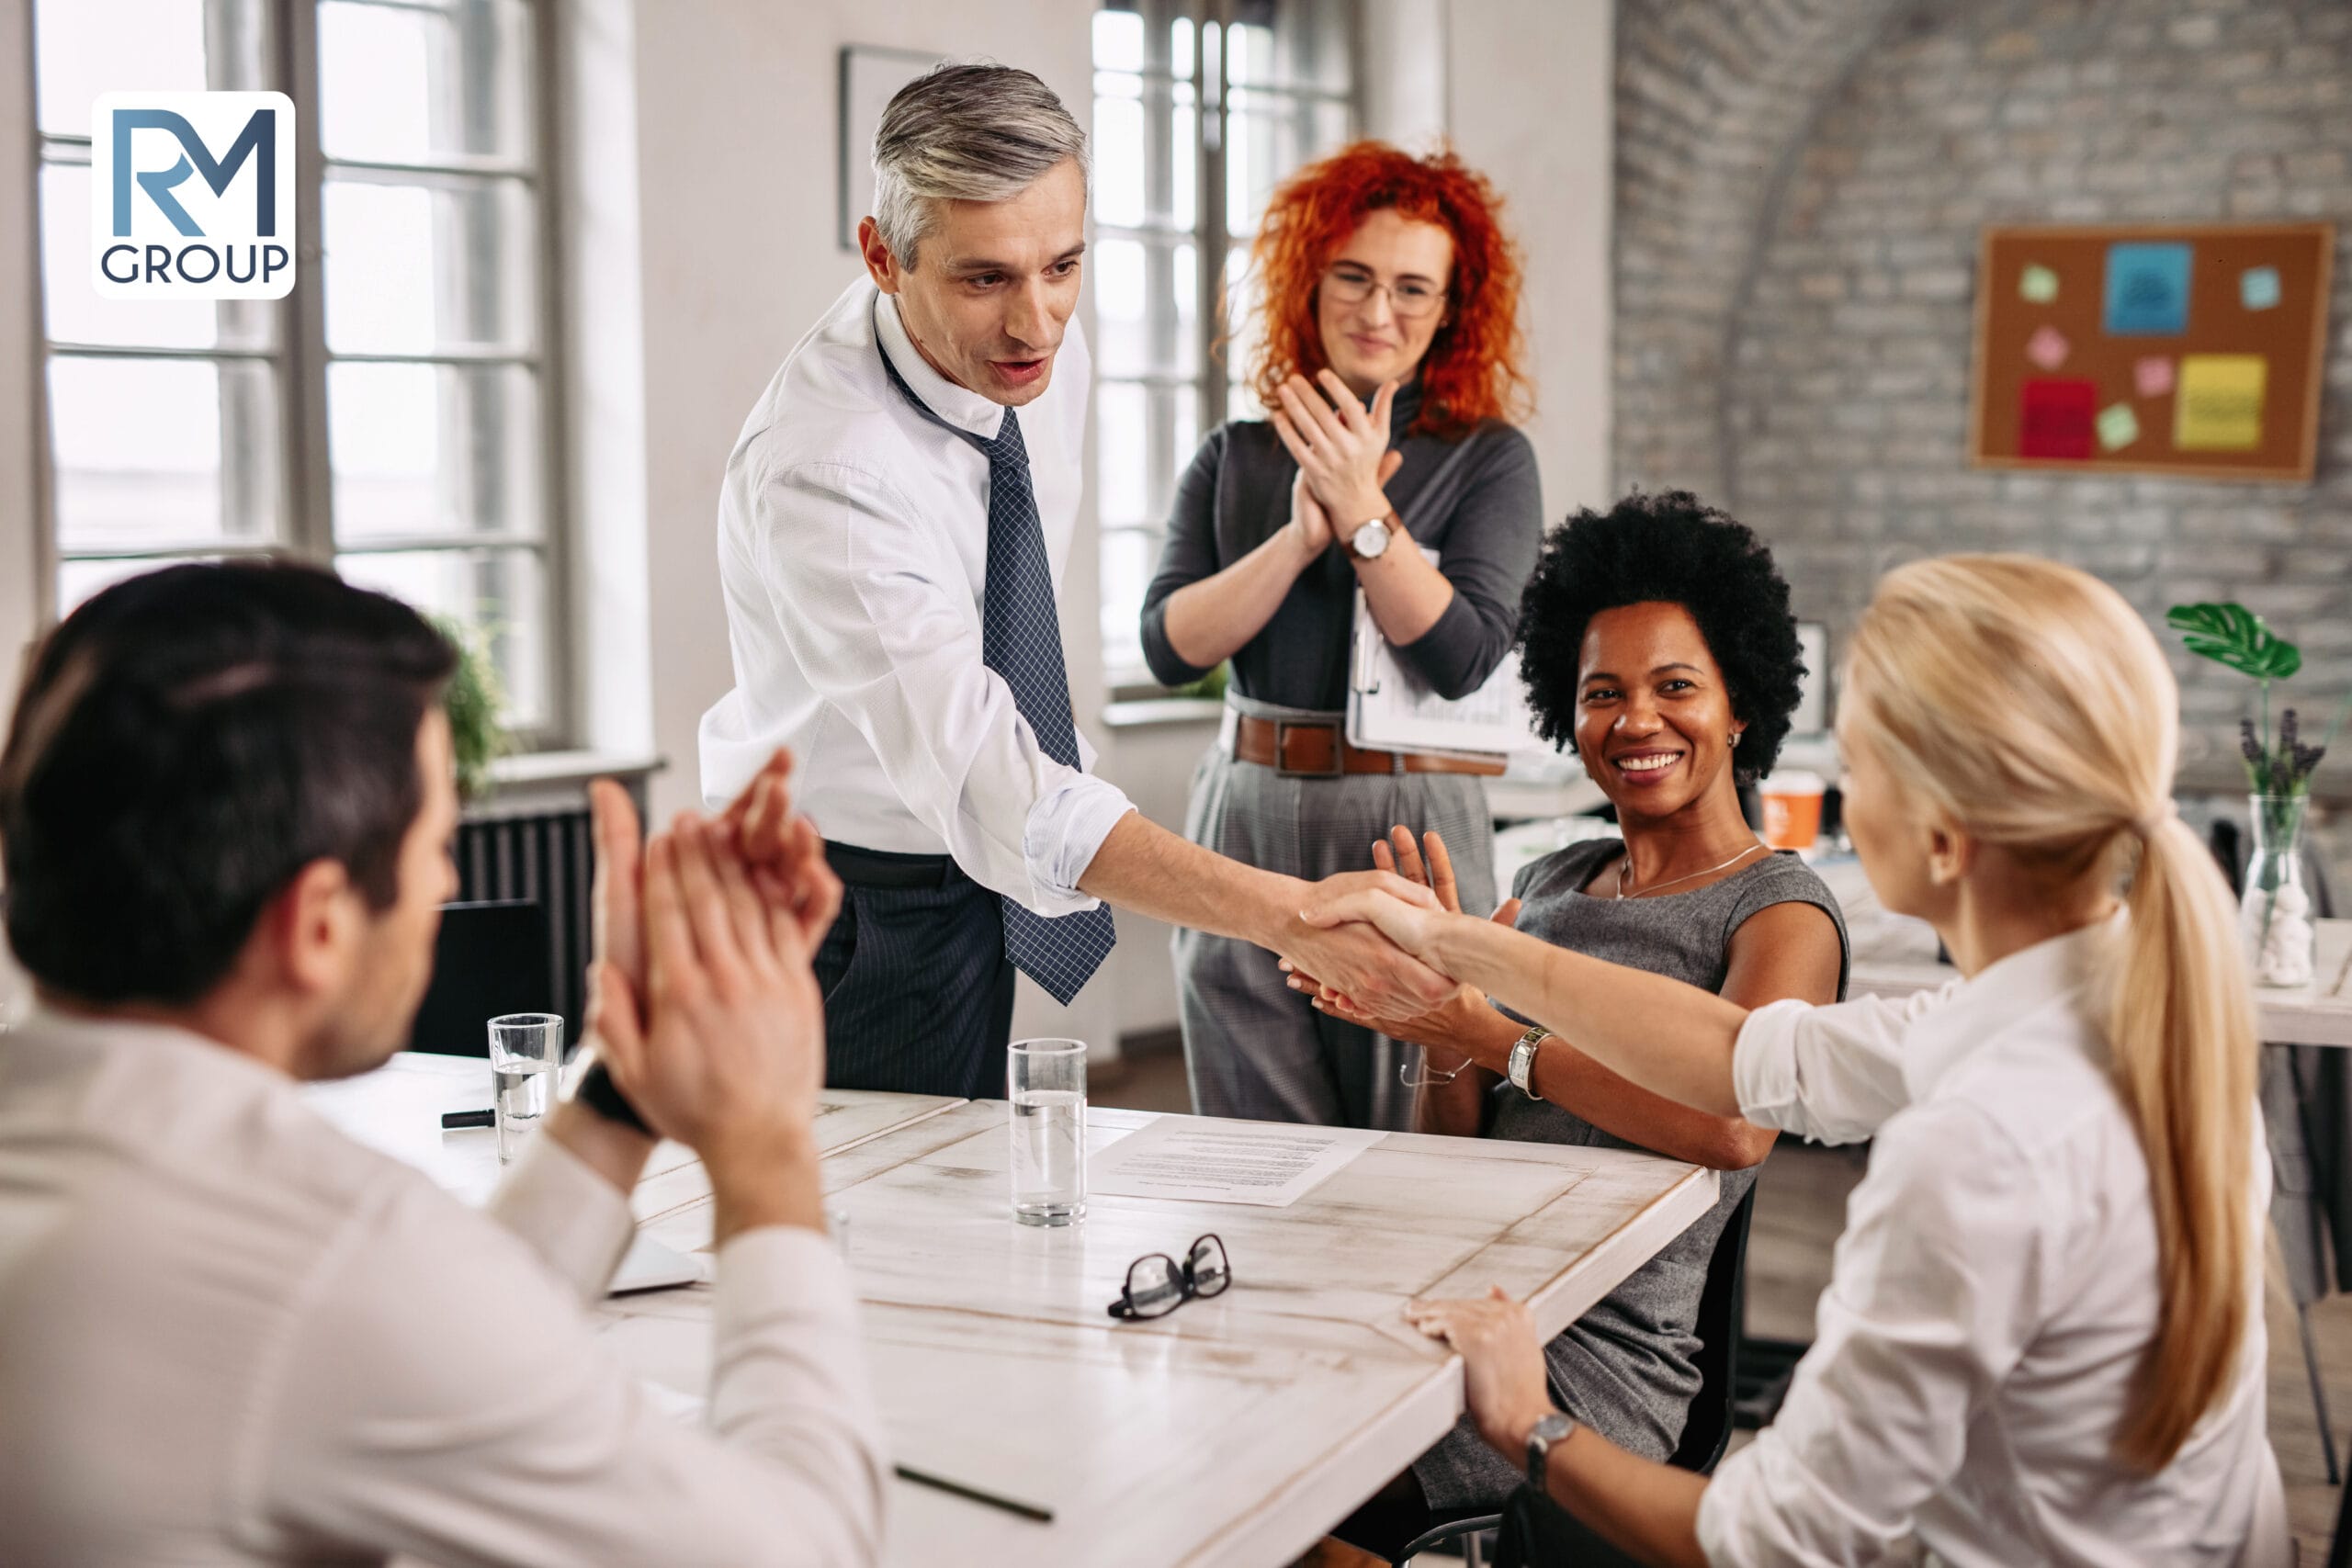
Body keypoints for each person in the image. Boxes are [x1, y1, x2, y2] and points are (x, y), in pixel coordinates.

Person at [1317, 555, 2290, 1565]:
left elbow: (1776, 1541)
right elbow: (1744, 1054)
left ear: (1944, 837)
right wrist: (1466, 954)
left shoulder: (1976, 1151)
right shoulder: (2126, 1017)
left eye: (1857, 766)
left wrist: (1529, 1422)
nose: (1841, 796)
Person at [0, 562, 888, 1566]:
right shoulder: (324, 1257)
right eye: (436, 845)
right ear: (319, 924)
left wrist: (621, 1094)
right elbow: (805, 1550)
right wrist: (766, 1141)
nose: (446, 878)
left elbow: (433, 1343)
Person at [698, 64, 1444, 1100]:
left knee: (962, 1179)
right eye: (984, 279)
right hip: (832, 911)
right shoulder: (828, 471)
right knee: (855, 1202)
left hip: (967, 878)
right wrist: (1292, 915)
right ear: (882, 257)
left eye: (1063, 266)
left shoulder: (1036, 355)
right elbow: (990, 773)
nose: (1037, 323)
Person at [1283, 496, 1846, 1557]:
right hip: (1474, 1293)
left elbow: (1734, 1126)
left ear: (1739, 705)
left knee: (1291, 1482)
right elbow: (1458, 1150)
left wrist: (1492, 1034)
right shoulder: (1551, 879)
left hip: (1598, 1360)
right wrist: (1439, 1026)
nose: (1635, 720)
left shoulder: (1777, 910)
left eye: (1674, 686)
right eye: (1601, 694)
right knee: (1236, 1417)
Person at [1139, 141, 1543, 1130]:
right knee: (1251, 1130)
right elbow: (1170, 647)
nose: (1378, 310)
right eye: (1353, 277)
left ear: (1449, 310)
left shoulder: (1488, 458)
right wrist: (1296, 539)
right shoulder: (1235, 454)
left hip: (1408, 816)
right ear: (1310, 283)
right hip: (1243, 805)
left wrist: (1364, 513)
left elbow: (1461, 658)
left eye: (1412, 288)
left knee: (1408, 1120)